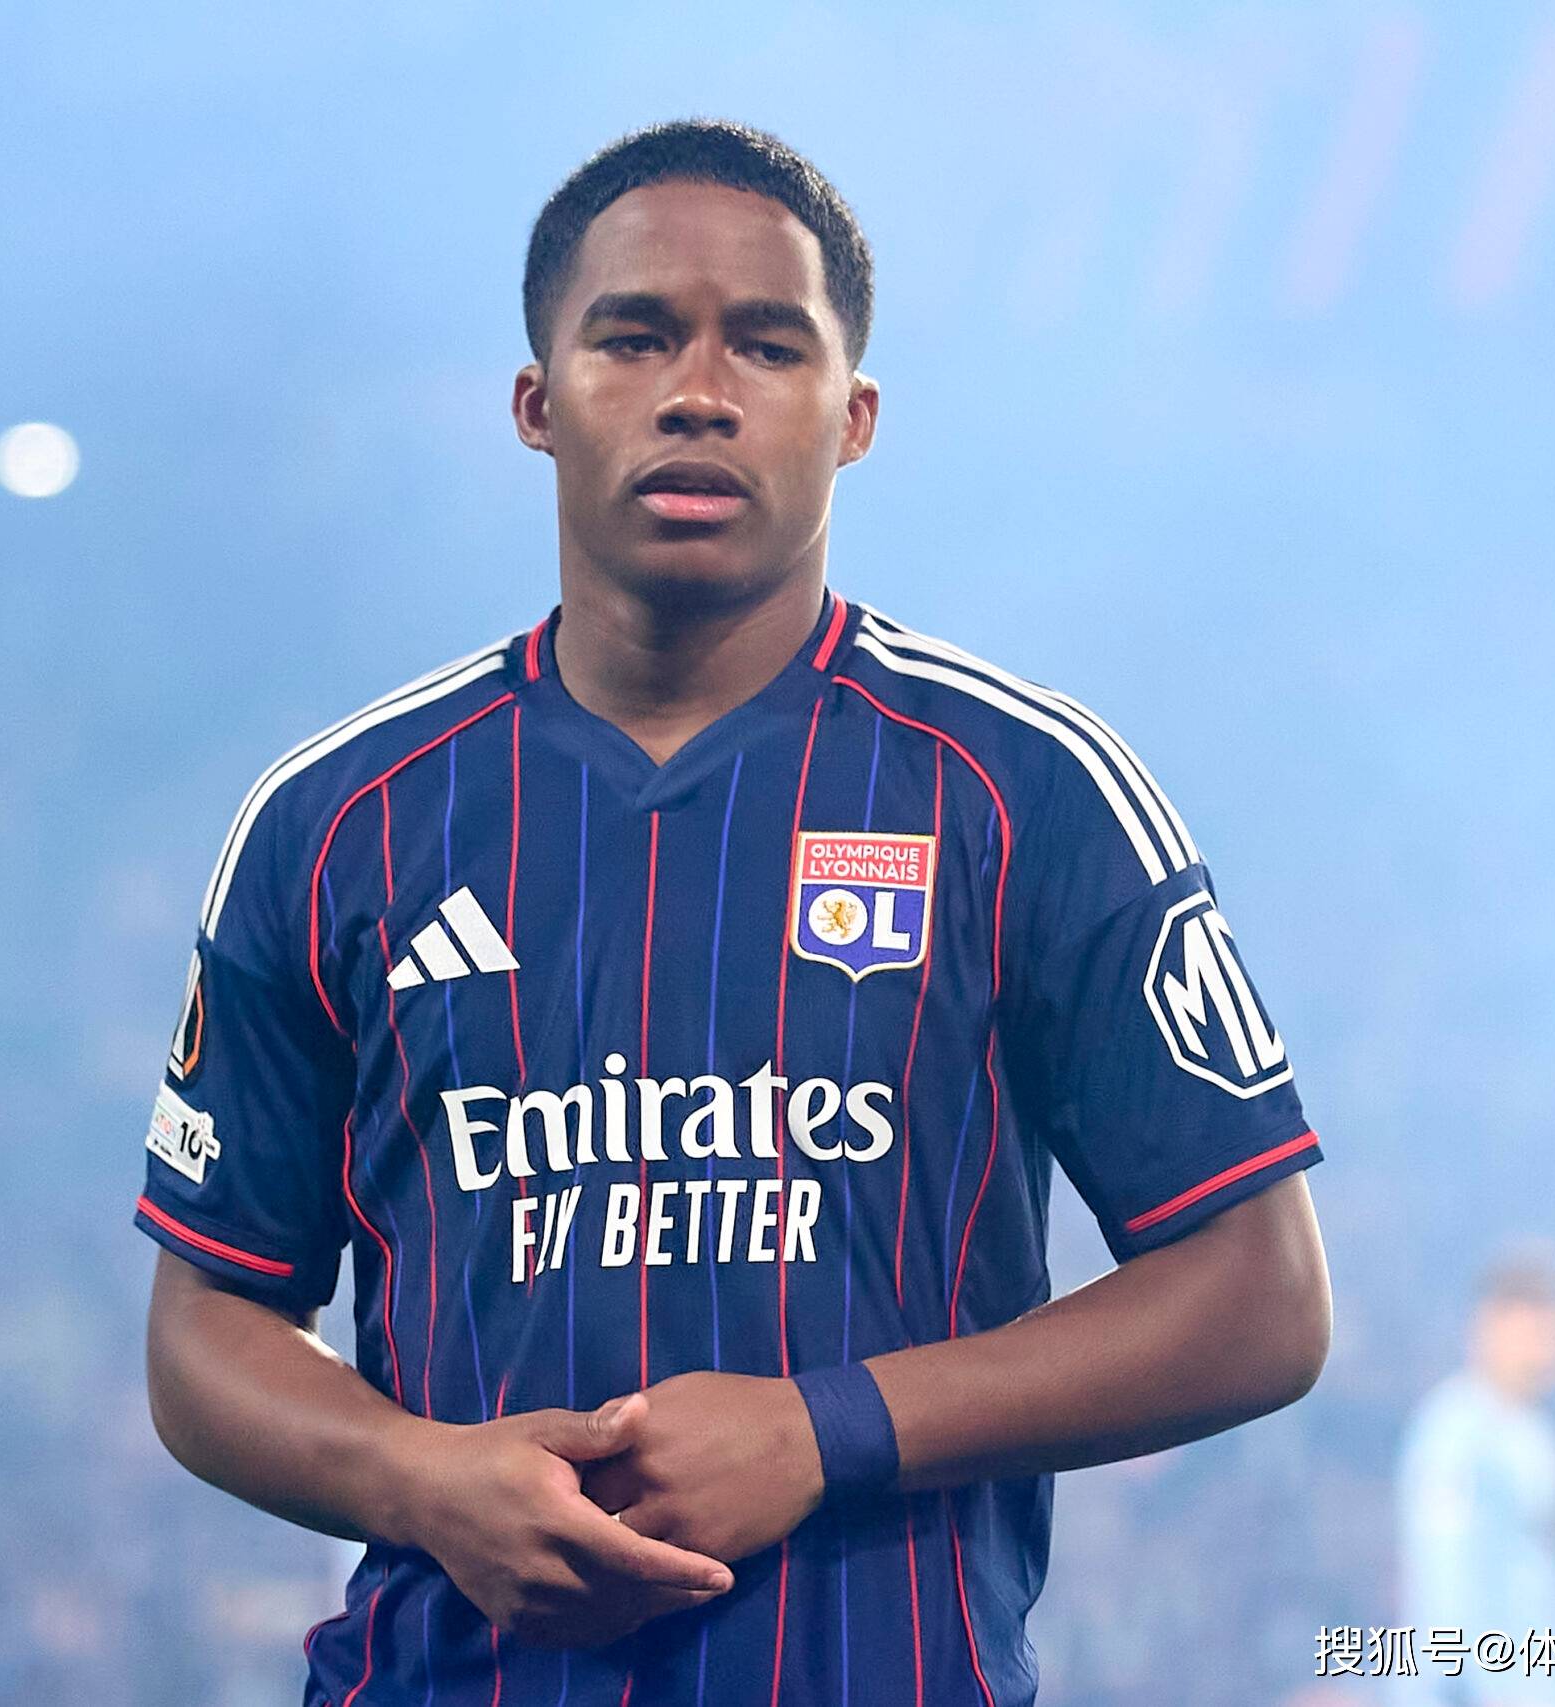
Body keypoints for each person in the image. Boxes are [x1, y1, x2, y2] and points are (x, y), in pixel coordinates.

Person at [139, 118, 1333, 1707]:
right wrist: (418, 1477)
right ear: (536, 402)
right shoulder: (335, 821)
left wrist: (823, 1427)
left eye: (768, 345)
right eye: (634, 337)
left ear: (853, 416)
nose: (699, 392)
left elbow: (1261, 1294)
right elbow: (206, 1323)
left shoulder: (1025, 790)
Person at [1395, 1244, 1555, 1705]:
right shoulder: (1455, 1431)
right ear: (1490, 1324)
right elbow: (1443, 1575)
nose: (1552, 1348)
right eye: (1537, 1330)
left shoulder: (1539, 1434)